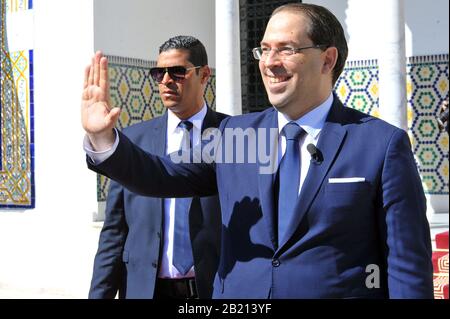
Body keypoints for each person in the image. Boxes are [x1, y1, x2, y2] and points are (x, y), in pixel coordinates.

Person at [82, 3, 433, 298]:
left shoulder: (379, 144)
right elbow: (162, 176)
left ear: (327, 60)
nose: (269, 62)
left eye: (286, 49)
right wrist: (105, 140)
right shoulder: (236, 135)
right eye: (264, 49)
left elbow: (406, 264)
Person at [88, 36, 227, 299]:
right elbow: (114, 233)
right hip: (146, 290)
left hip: (213, 290)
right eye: (158, 73)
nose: (165, 81)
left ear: (204, 74)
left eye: (177, 72)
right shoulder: (131, 142)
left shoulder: (233, 137)